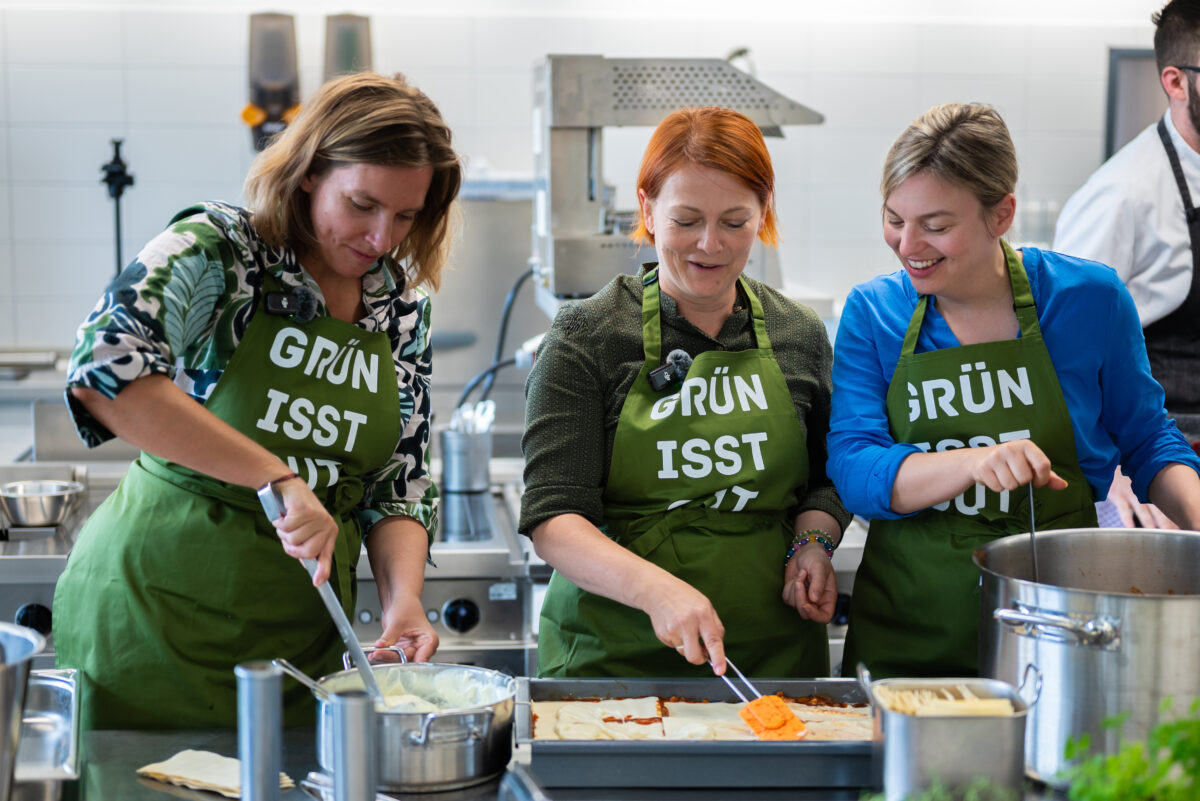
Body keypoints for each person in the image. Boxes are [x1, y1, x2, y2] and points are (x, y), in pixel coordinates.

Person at [53, 72, 462, 730]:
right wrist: (276, 475)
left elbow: (399, 483)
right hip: (152, 621)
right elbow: (105, 370)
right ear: (307, 173)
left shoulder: (399, 311)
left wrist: (402, 602)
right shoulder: (220, 250)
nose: (383, 236)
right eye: (361, 204)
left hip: (300, 651)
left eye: (407, 215)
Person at [828, 102, 1200, 679]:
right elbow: (855, 470)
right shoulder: (874, 311)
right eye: (894, 218)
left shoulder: (1088, 298)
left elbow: (1148, 439)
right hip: (911, 622)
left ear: (1001, 215)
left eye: (937, 225)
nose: (907, 245)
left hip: (1060, 614)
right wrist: (972, 463)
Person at [520, 106, 850, 679]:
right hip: (613, 662)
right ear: (647, 207)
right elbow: (555, 516)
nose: (709, 244)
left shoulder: (800, 333)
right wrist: (658, 592)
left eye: (734, 221)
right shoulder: (588, 335)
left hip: (770, 657)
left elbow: (828, 480)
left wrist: (814, 545)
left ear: (764, 212)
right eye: (686, 219)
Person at [1054, 0, 1200, 527]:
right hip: (1160, 466)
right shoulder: (1120, 194)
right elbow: (1065, 352)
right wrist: (1115, 475)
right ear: (1176, 82)